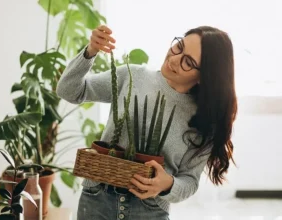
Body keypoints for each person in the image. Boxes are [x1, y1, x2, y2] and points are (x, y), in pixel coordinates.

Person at [56, 25, 237, 220]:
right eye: (179, 47)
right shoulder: (133, 76)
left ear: (204, 76)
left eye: (188, 62)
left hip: (150, 210)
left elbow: (190, 181)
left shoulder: (205, 120)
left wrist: (167, 183)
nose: (174, 59)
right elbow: (69, 90)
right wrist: (90, 51)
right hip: (97, 198)